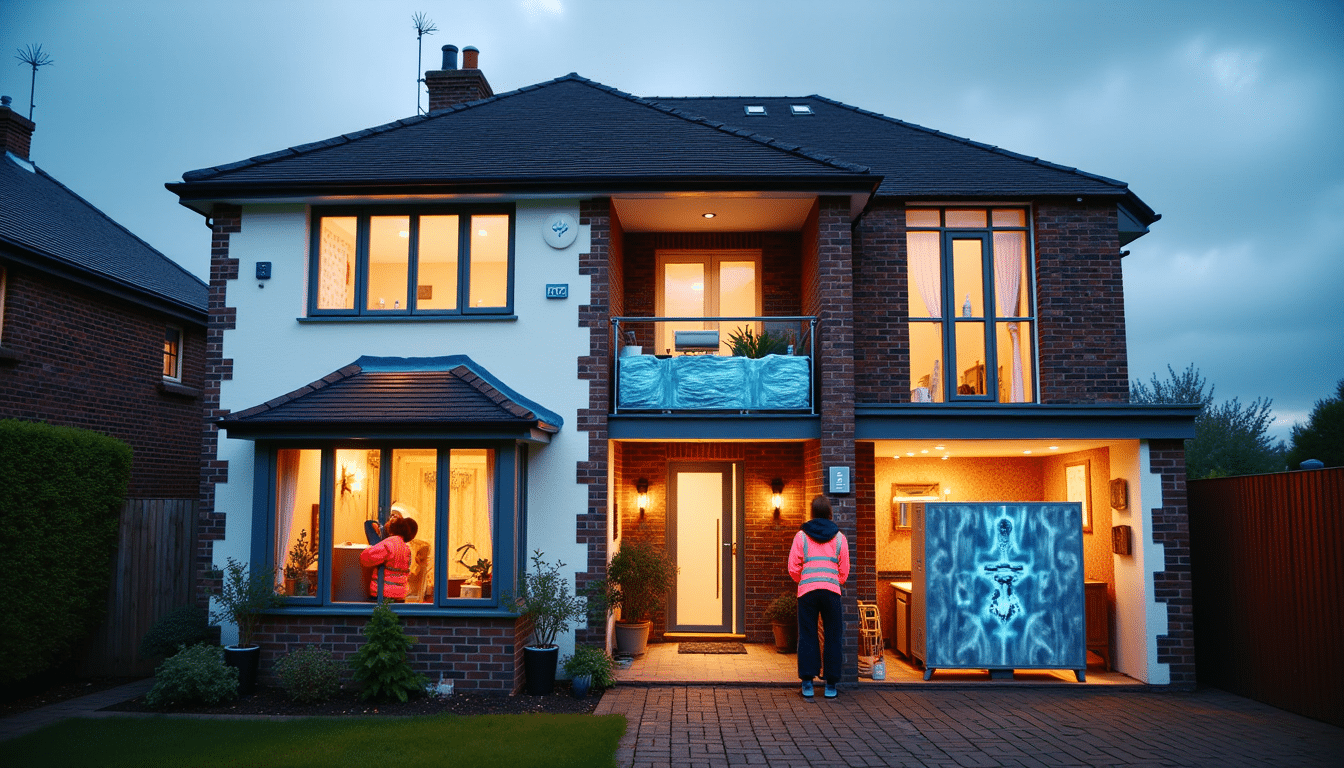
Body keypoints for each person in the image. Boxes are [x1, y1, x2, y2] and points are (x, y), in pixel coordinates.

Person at [788, 495, 850, 699]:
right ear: (830, 513)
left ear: (812, 513)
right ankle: (831, 684)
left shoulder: (801, 536)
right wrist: (836, 581)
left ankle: (807, 683)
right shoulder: (839, 538)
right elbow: (845, 568)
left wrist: (803, 580)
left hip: (807, 591)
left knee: (807, 634)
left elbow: (793, 566)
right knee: (833, 635)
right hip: (831, 591)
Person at [360, 514, 415, 601]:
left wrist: (369, 548)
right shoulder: (406, 548)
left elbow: (365, 558)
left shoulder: (390, 543)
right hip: (400, 595)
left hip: (383, 594)